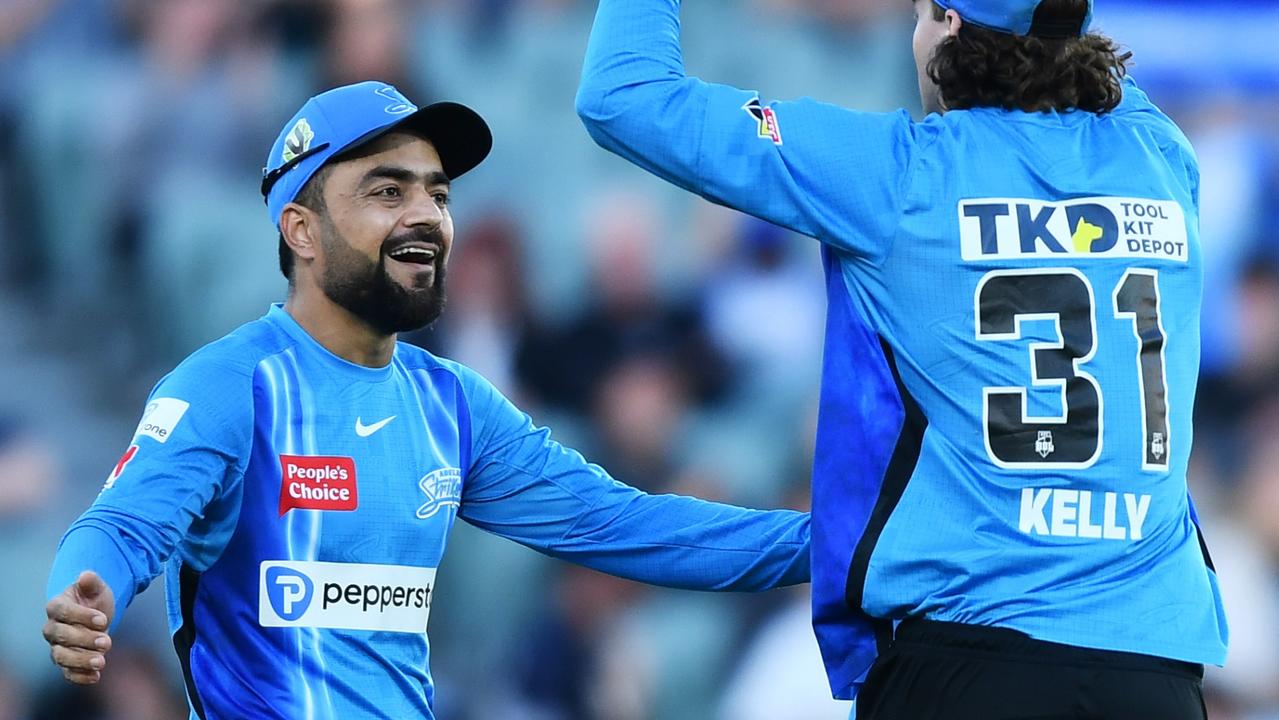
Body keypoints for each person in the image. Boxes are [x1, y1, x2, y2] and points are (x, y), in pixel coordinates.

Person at [41, 81, 811, 720]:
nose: (426, 215)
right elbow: (120, 525)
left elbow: (632, 526)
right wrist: (85, 592)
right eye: (386, 190)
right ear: (301, 231)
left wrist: (843, 547)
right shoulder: (231, 385)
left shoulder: (453, 405)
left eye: (436, 194)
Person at [576, 0, 1227, 717]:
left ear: (947, 24)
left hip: (967, 661)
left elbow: (622, 96)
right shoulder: (1160, 157)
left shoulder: (894, 175)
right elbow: (1078, 63)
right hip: (1155, 675)